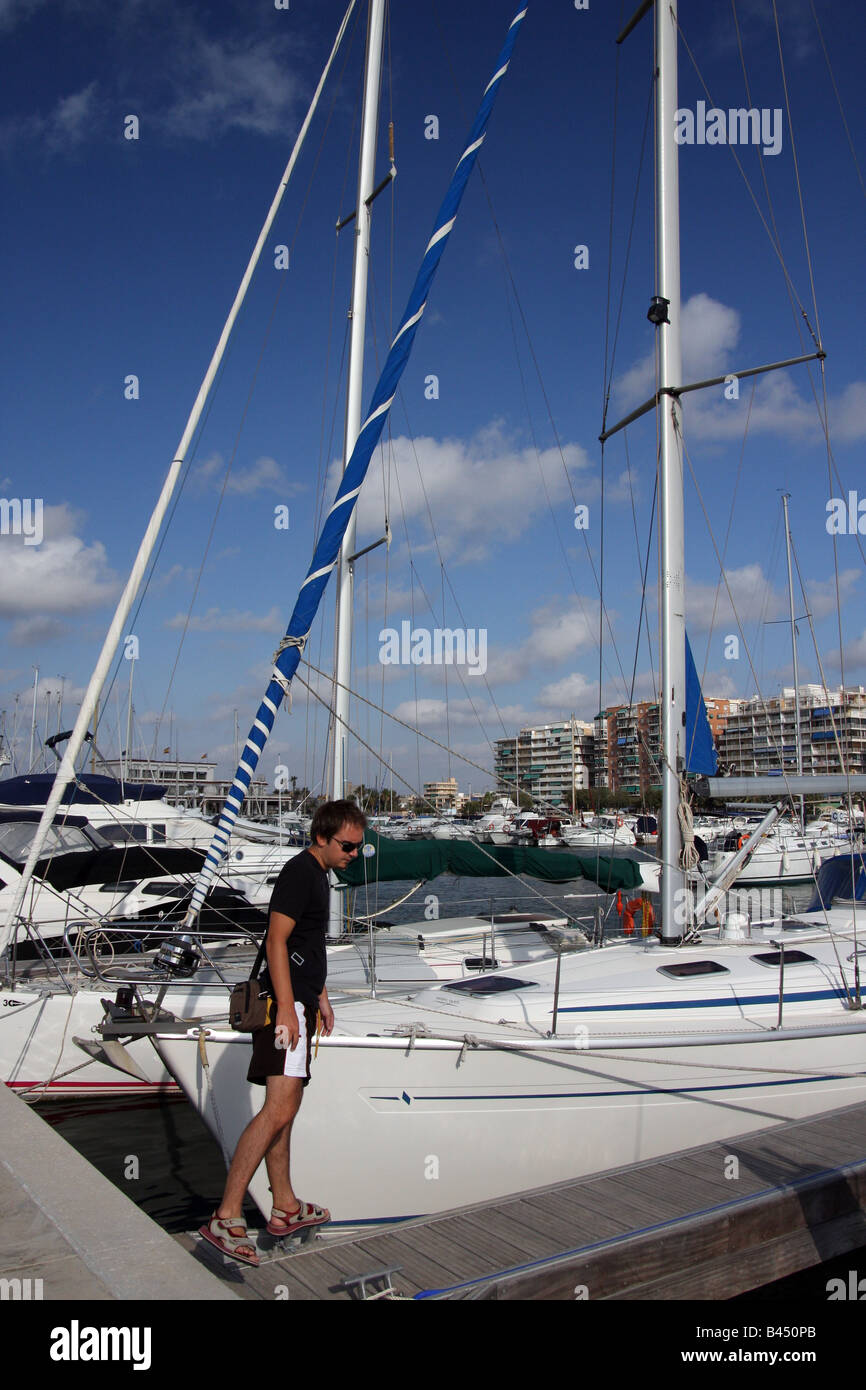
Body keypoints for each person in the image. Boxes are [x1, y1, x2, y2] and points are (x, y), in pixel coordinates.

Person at [200, 799, 366, 1264]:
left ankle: (286, 1206)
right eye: (348, 846)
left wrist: (321, 997)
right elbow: (275, 939)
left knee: (285, 1109)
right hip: (283, 1007)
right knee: (277, 1110)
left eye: (359, 846)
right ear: (322, 838)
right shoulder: (299, 874)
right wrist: (290, 1012)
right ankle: (226, 1214)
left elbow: (304, 946)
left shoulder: (318, 875)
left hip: (299, 1001)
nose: (354, 854)